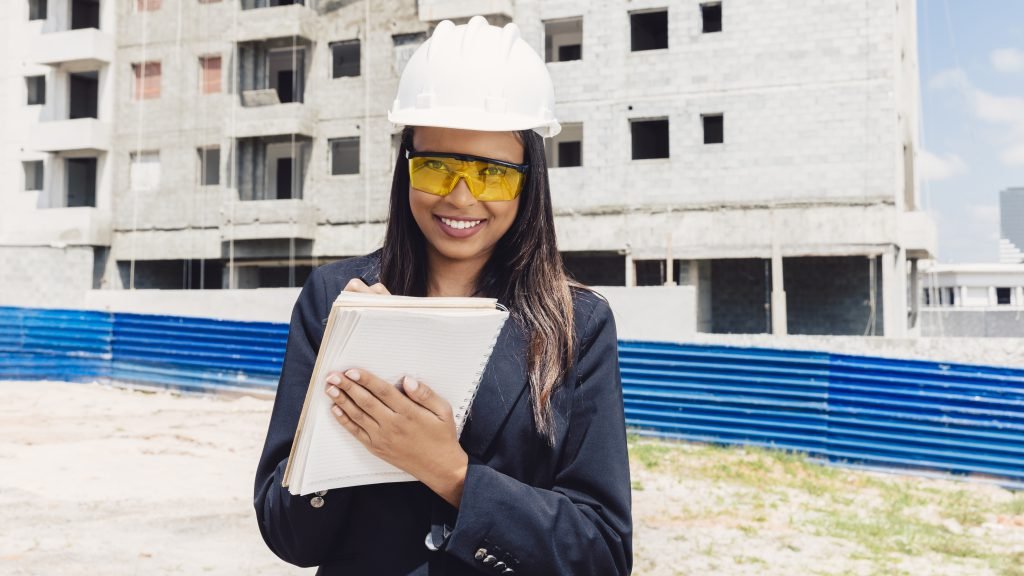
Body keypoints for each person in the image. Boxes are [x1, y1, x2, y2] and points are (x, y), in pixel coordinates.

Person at [254, 15, 632, 575]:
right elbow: (288, 534)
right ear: (407, 166)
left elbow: (601, 554)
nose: (460, 196)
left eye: (492, 175)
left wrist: (451, 472)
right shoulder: (336, 298)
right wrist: (344, 412)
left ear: (529, 181)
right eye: (436, 166)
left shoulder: (576, 323)